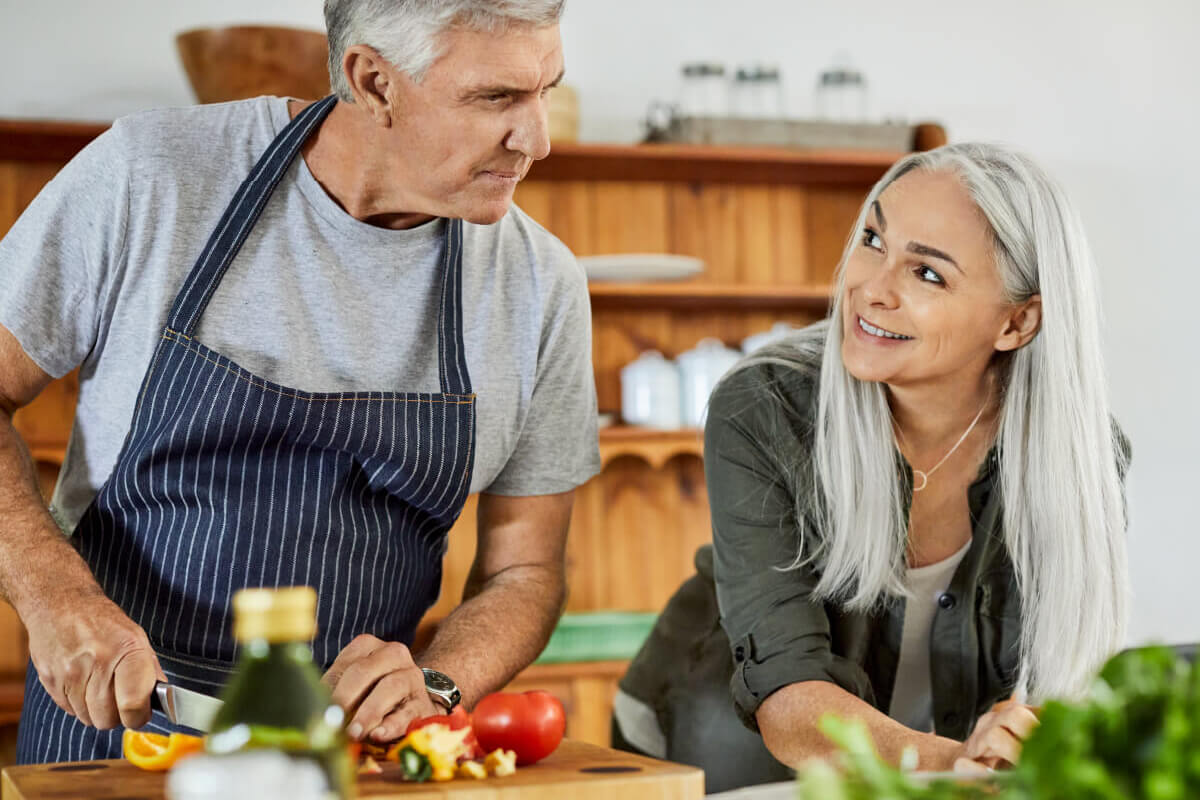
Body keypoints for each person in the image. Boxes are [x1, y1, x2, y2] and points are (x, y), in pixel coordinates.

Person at [0, 0, 600, 764]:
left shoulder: (540, 285)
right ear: (373, 81)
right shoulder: (151, 178)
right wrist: (56, 601)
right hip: (114, 736)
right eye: (495, 99)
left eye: (545, 89)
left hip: (349, 756)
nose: (537, 139)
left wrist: (439, 684)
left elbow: (525, 570)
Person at [613, 142, 1131, 792]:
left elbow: (1059, 675)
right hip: (717, 743)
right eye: (873, 238)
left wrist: (1030, 743)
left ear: (1018, 322)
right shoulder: (766, 408)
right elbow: (789, 693)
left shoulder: (1081, 458)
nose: (871, 288)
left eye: (928, 274)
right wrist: (953, 765)